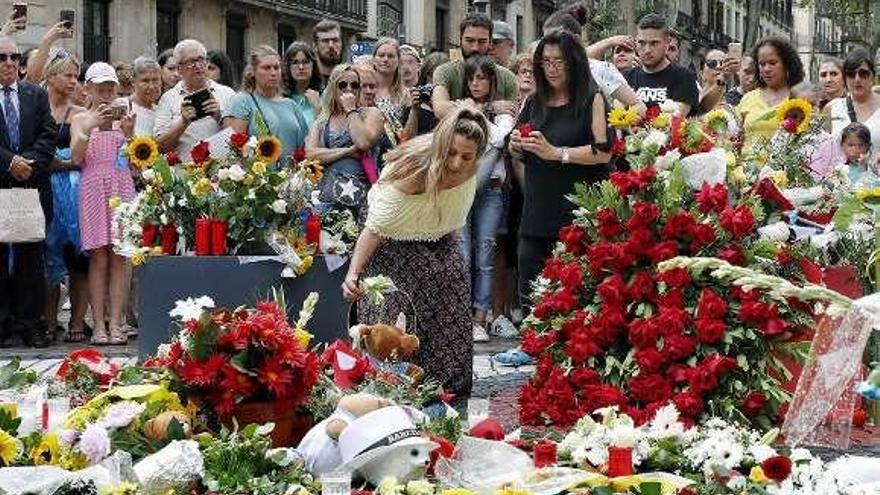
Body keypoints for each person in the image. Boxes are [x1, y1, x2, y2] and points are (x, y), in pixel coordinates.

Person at [342, 106, 490, 398]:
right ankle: (394, 388)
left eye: (467, 156)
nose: (458, 163)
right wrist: (354, 274)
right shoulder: (412, 171)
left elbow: (451, 217)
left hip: (438, 233)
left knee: (452, 287)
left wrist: (450, 258)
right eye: (451, 153)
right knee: (400, 308)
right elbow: (374, 228)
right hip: (388, 237)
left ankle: (445, 390)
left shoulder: (470, 170)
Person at [508, 29, 612, 308]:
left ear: (574, 62)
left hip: (575, 212)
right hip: (537, 209)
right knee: (531, 288)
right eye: (546, 62)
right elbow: (514, 145)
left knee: (574, 295)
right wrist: (516, 144)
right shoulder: (534, 101)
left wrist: (558, 153)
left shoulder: (593, 98)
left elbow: (603, 152)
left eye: (559, 62)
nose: (551, 69)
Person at [70, 62, 136, 346]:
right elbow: (76, 157)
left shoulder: (126, 117)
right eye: (101, 88)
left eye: (110, 88)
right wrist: (90, 127)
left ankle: (117, 322)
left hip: (121, 187)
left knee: (120, 255)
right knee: (98, 256)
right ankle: (98, 324)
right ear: (89, 89)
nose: (106, 94)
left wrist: (131, 134)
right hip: (93, 187)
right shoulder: (80, 118)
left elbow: (134, 163)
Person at [0, 36, 57, 348]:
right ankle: (2, 322)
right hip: (0, 184)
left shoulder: (35, 94)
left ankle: (30, 324)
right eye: (2, 57)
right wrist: (9, 162)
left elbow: (49, 134)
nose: (9, 63)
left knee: (31, 261)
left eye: (14, 57)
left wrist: (28, 164)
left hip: (31, 187)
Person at [458, 55, 514, 342]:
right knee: (464, 254)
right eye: (472, 78)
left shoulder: (501, 113)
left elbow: (499, 136)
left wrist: (482, 110)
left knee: (485, 254)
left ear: (492, 82)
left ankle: (480, 317)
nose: (476, 83)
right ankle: (461, 315)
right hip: (460, 188)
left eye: (482, 78)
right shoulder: (460, 109)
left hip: (491, 189)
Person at [41, 49, 90, 344]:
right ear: (51, 76)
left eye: (76, 76)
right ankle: (47, 321)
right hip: (44, 191)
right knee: (46, 260)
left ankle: (76, 321)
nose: (74, 81)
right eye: (67, 75)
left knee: (78, 259)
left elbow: (79, 156)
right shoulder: (36, 107)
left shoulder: (80, 114)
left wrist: (58, 162)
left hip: (74, 193)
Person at [305, 64, 384, 217]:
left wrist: (351, 110)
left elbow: (363, 142)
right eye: (343, 85)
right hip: (329, 199)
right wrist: (348, 151)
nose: (349, 89)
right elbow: (311, 154)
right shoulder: (323, 120)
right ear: (334, 88)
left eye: (354, 85)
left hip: (362, 201)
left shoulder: (371, 113)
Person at [541, 8, 645, 115]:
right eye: (545, 41)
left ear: (576, 40)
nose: (548, 47)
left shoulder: (600, 70)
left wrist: (618, 122)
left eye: (555, 40)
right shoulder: (542, 72)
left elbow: (639, 106)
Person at [223, 45, 308, 166]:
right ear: (252, 72)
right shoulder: (242, 101)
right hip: (258, 180)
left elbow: (304, 147)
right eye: (266, 68)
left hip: (292, 179)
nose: (273, 73)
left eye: (276, 68)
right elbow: (233, 151)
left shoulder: (291, 105)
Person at [154, 39, 235, 162]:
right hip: (184, 175)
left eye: (201, 60)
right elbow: (159, 147)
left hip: (221, 174)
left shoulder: (227, 94)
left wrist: (219, 117)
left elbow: (239, 137)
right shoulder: (168, 98)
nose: (198, 66)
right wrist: (183, 122)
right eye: (191, 62)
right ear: (179, 68)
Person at [431, 14, 518, 120]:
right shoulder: (445, 71)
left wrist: (459, 107)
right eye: (469, 40)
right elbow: (440, 110)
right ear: (460, 40)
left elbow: (512, 116)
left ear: (490, 43)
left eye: (482, 42)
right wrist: (488, 107)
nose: (475, 48)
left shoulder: (507, 77)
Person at [737, 37, 804, 151]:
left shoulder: (800, 98)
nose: (766, 69)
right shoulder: (748, 98)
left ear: (787, 64)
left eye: (772, 63)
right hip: (746, 167)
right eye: (762, 64)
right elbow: (736, 138)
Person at [625, 14, 699, 115]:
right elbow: (619, 118)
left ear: (667, 43)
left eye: (654, 43)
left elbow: (676, 118)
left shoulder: (684, 77)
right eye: (642, 43)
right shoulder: (626, 78)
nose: (647, 50)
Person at [825, 48, 880, 151]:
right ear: (845, 78)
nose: (857, 79)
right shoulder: (832, 108)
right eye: (851, 74)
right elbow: (823, 152)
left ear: (873, 76)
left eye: (863, 73)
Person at [402, 52, 447, 137]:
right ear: (425, 76)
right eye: (431, 77)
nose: (434, 84)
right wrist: (414, 111)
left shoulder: (451, 103)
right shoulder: (415, 98)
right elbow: (406, 140)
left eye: (440, 80)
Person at [283, 41, 321, 128]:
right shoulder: (280, 98)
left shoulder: (324, 97)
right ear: (288, 67)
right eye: (295, 62)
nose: (301, 67)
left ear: (313, 66)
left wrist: (319, 108)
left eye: (305, 62)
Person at [122, 56, 162, 137]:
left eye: (155, 80)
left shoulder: (162, 111)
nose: (151, 86)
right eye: (145, 81)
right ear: (133, 82)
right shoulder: (123, 106)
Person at [696, 49, 740, 115]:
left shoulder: (733, 108)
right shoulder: (691, 98)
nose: (719, 67)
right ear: (702, 74)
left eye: (723, 63)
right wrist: (722, 79)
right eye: (713, 63)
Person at [313, 20, 343, 90]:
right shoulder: (308, 80)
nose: (331, 45)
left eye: (335, 40)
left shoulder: (351, 80)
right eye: (325, 41)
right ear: (315, 46)